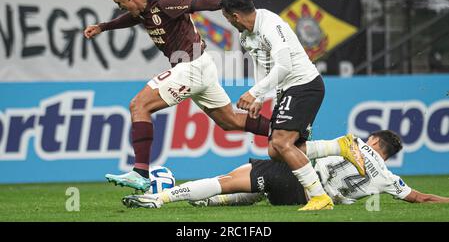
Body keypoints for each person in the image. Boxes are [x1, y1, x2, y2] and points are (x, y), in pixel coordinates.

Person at [83, 0, 272, 192]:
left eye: (120, 3)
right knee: (230, 121)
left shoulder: (165, 2)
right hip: (202, 66)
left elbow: (198, 5)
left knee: (139, 105)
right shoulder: (144, 6)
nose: (121, 8)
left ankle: (141, 173)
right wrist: (103, 27)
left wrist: (233, 0)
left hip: (191, 66)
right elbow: (133, 18)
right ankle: (285, 130)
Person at [221, 0, 364, 211]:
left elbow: (284, 66)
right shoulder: (246, 36)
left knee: (280, 143)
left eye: (227, 18)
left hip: (304, 84)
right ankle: (340, 145)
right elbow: (265, 65)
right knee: (275, 151)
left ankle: (319, 197)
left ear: (235, 16)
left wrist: (254, 92)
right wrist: (260, 96)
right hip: (288, 90)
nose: (229, 22)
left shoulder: (270, 25)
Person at [122, 130, 449, 208]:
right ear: (388, 155)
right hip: (304, 198)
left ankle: (160, 198)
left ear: (375, 140)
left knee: (225, 181)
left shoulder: (355, 143)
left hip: (297, 177)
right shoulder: (388, 177)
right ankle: (205, 202)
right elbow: (419, 198)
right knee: (250, 187)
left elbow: (303, 151)